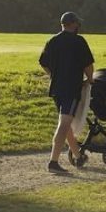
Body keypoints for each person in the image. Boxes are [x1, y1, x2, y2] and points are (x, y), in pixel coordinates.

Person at [39, 11, 94, 174]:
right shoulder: (79, 41)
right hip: (71, 88)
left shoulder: (52, 41)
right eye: (77, 23)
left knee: (66, 122)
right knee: (63, 125)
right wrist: (90, 79)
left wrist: (52, 75)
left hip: (56, 89)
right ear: (72, 24)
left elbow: (43, 62)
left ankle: (78, 155)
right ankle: (53, 162)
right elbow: (88, 65)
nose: (78, 26)